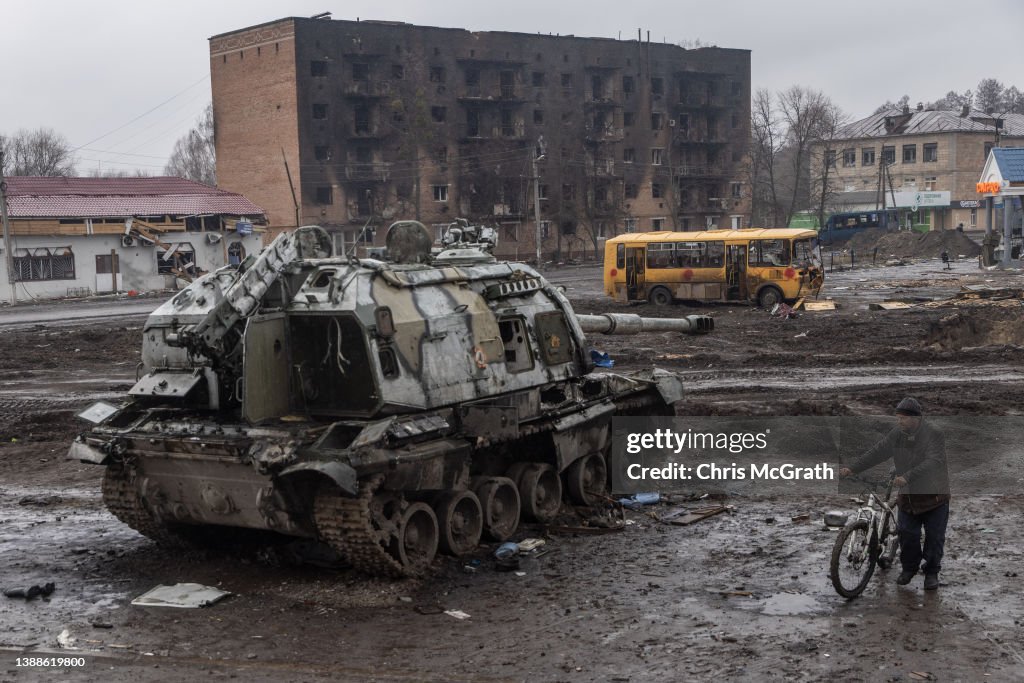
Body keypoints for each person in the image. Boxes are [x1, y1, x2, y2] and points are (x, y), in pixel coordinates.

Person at [839, 398, 950, 590]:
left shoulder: (934, 434)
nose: (899, 422)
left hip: (935, 496)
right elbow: (878, 451)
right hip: (908, 496)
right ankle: (909, 569)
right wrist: (853, 468)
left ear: (916, 418)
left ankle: (931, 572)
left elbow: (934, 460)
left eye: (903, 418)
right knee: (907, 534)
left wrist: (908, 476)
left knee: (934, 537)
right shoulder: (897, 434)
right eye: (898, 418)